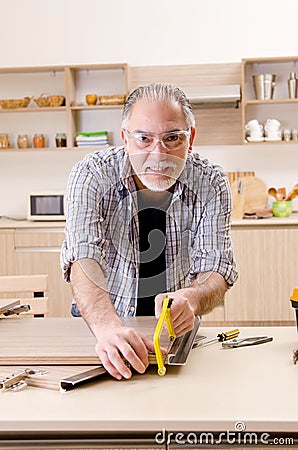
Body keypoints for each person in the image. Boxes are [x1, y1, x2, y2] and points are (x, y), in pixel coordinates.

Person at [61, 82, 238, 380]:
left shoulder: (211, 181)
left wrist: (191, 299)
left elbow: (215, 268)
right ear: (125, 139)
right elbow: (83, 258)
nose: (159, 154)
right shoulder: (91, 174)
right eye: (144, 138)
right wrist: (108, 329)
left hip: (175, 335)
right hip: (102, 326)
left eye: (172, 138)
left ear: (190, 138)